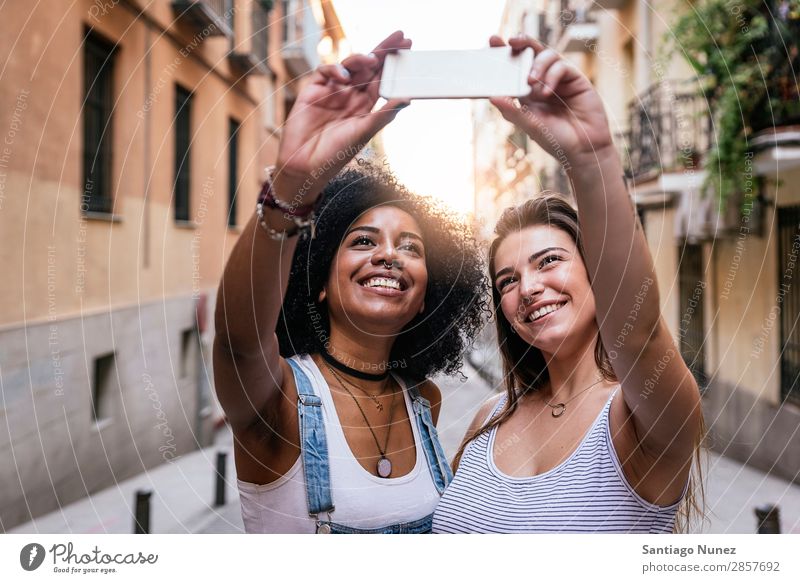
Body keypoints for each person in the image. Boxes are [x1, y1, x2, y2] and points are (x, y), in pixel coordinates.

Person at [213, 31, 487, 534]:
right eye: (363, 241)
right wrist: (294, 183)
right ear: (319, 283)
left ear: (426, 294)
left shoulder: (425, 399)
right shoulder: (279, 398)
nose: (388, 253)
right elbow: (237, 340)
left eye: (411, 247)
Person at [432, 36, 704, 533]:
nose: (529, 288)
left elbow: (638, 336)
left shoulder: (641, 418)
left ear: (595, 269)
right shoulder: (489, 419)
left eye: (550, 261)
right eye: (507, 280)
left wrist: (591, 156)